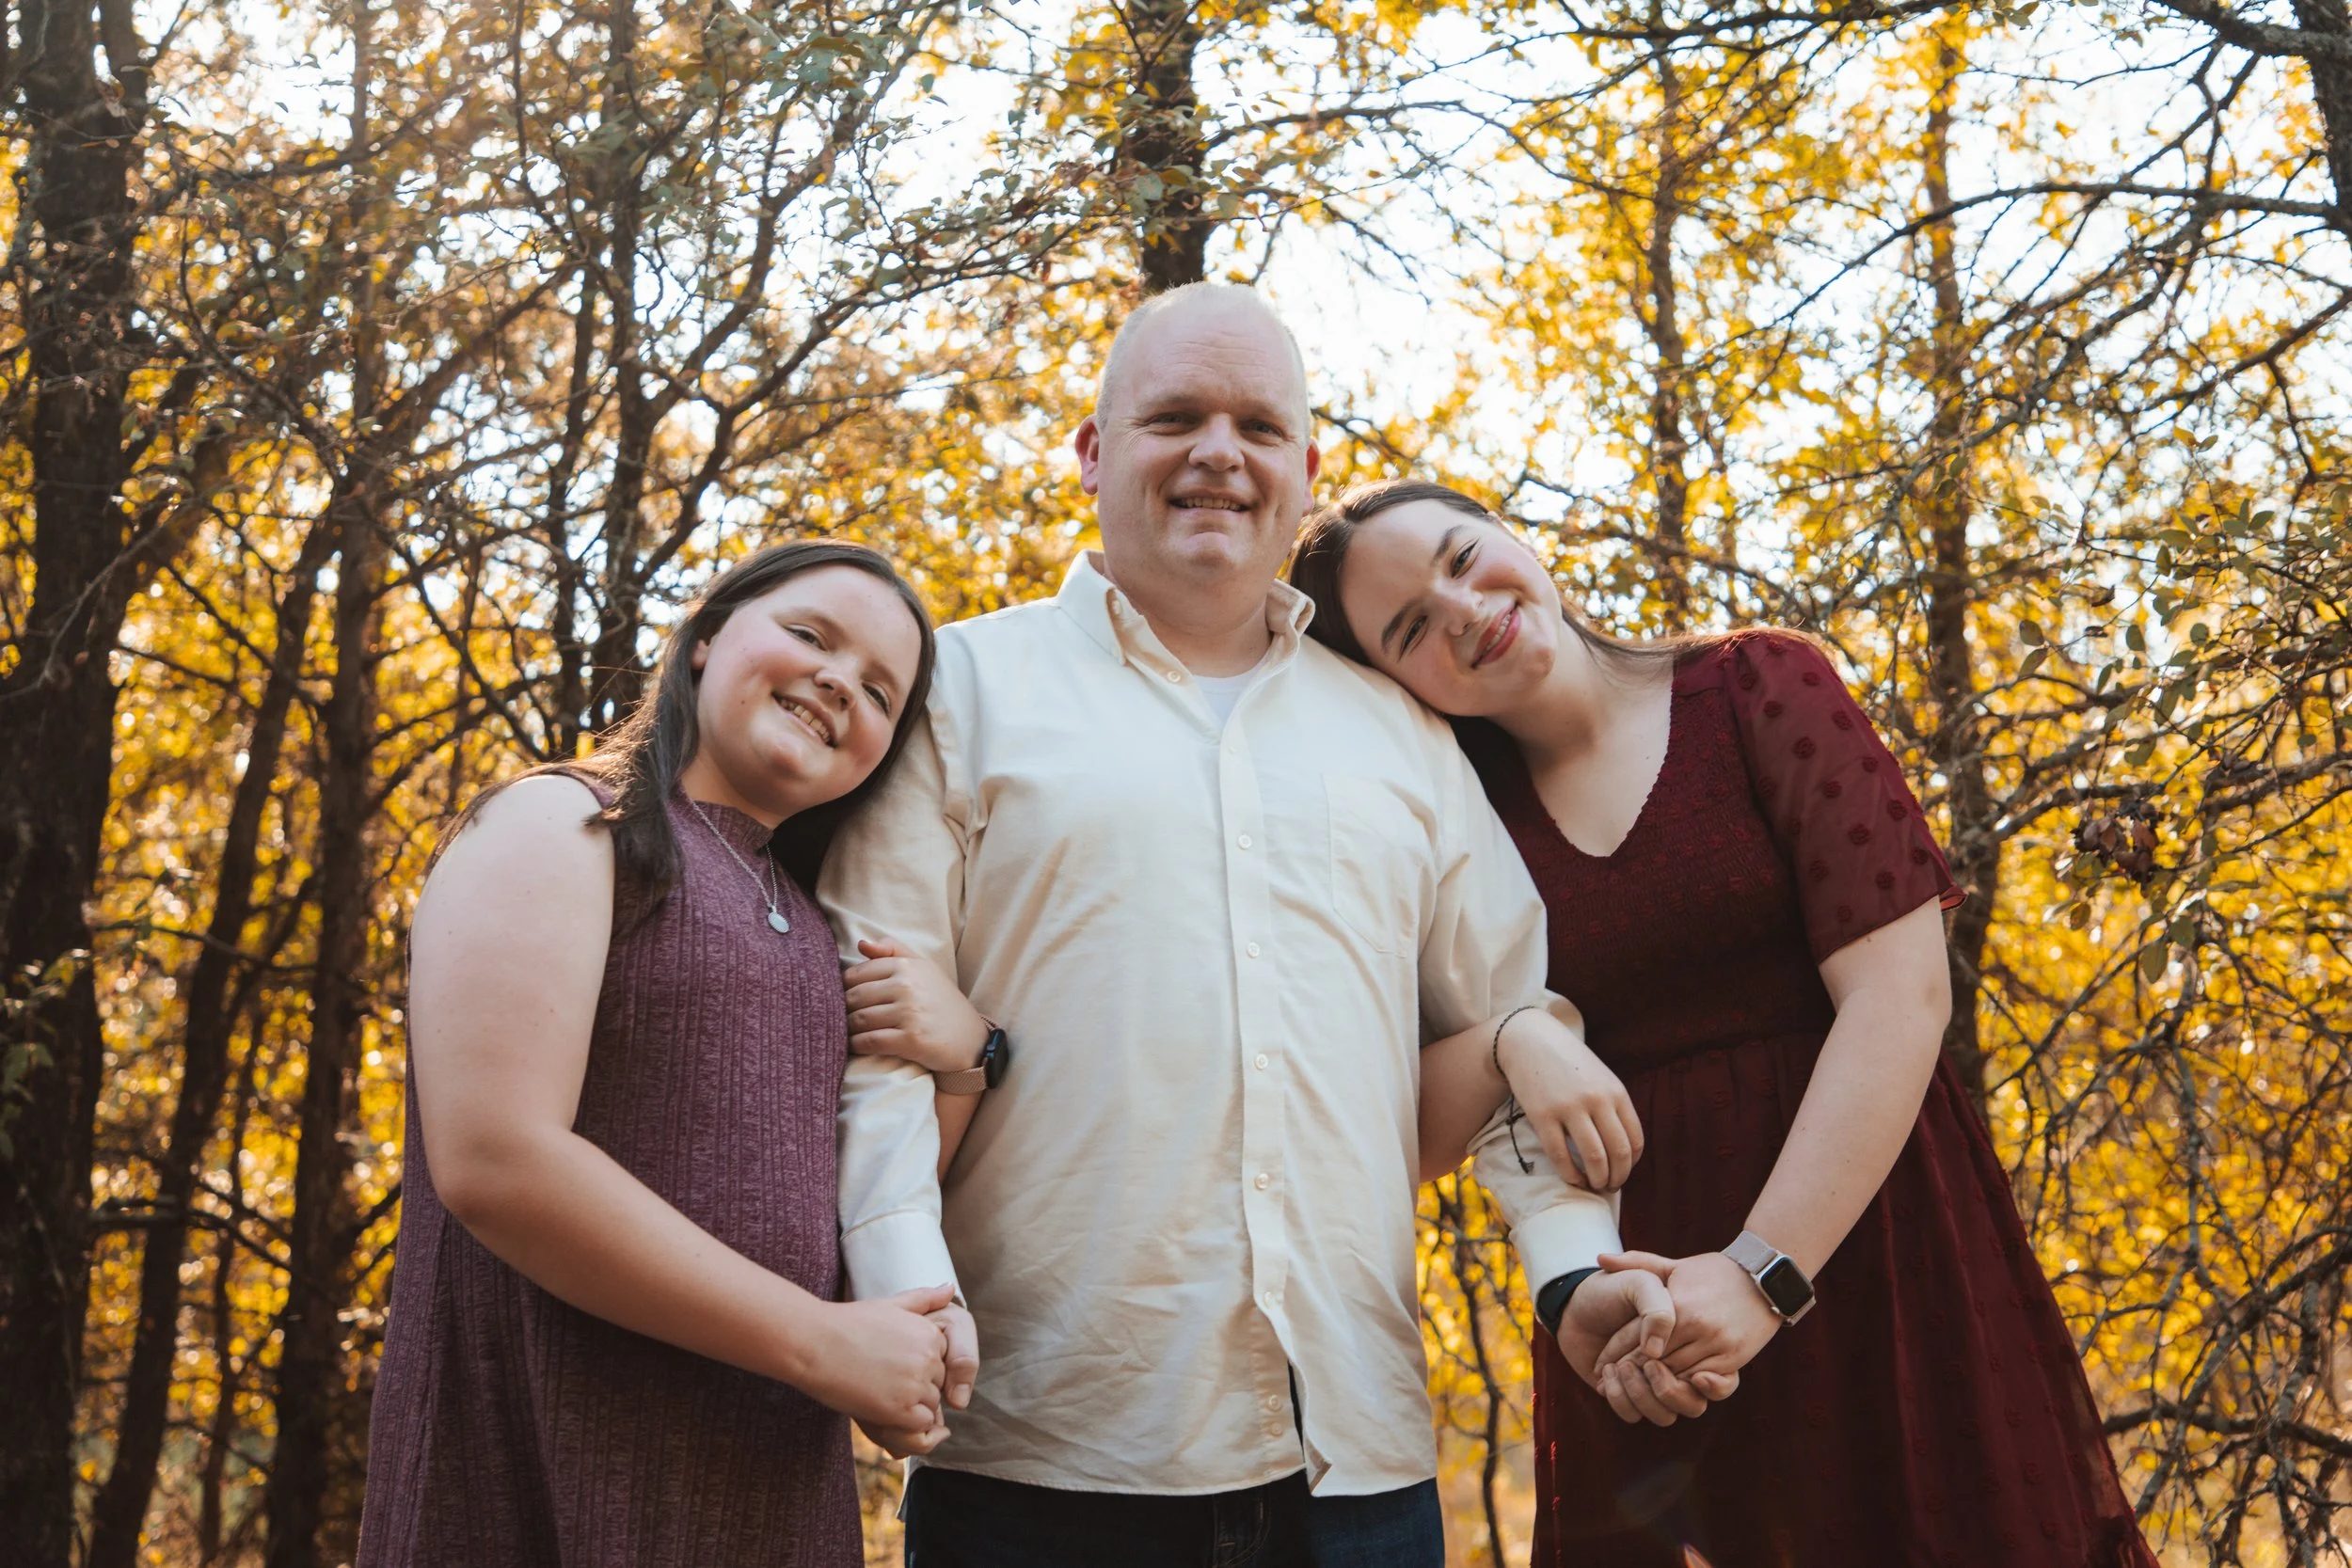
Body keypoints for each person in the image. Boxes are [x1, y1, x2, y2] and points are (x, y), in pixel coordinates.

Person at [818, 283, 1726, 1568]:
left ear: (1306, 468)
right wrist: (906, 1289)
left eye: (1257, 424)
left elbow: (1511, 1020)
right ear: (1090, 452)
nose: (1217, 453)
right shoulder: (955, 691)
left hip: (1360, 1472)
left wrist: (1574, 1270)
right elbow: (878, 1044)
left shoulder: (1404, 737)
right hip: (1043, 1460)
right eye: (1173, 417)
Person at [1288, 479, 2162, 1568]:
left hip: (1874, 1255)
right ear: (1390, 682)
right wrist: (1517, 1033)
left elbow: (1901, 997)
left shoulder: (1755, 683)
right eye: (1411, 624)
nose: (1461, 608)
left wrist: (1760, 1275)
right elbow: (1399, 1131)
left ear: (1513, 536)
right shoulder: (1451, 829)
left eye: (1463, 556)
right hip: (1649, 1331)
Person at [357, 541, 969, 1568]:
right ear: (703, 639)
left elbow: (854, 1197)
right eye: (811, 635)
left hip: (762, 1500)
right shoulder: (564, 821)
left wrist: (967, 1054)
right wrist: (825, 1345)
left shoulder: (813, 928)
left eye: (878, 689)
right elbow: (495, 1159)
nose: (836, 680)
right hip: (544, 1477)